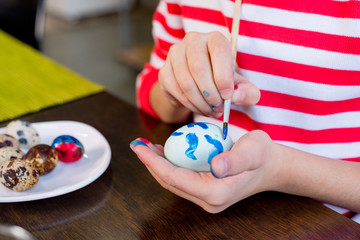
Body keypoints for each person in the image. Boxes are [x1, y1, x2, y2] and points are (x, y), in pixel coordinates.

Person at [130, 0, 360, 223]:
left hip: (330, 222)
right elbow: (150, 87)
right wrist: (179, 89)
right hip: (199, 215)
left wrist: (280, 169)